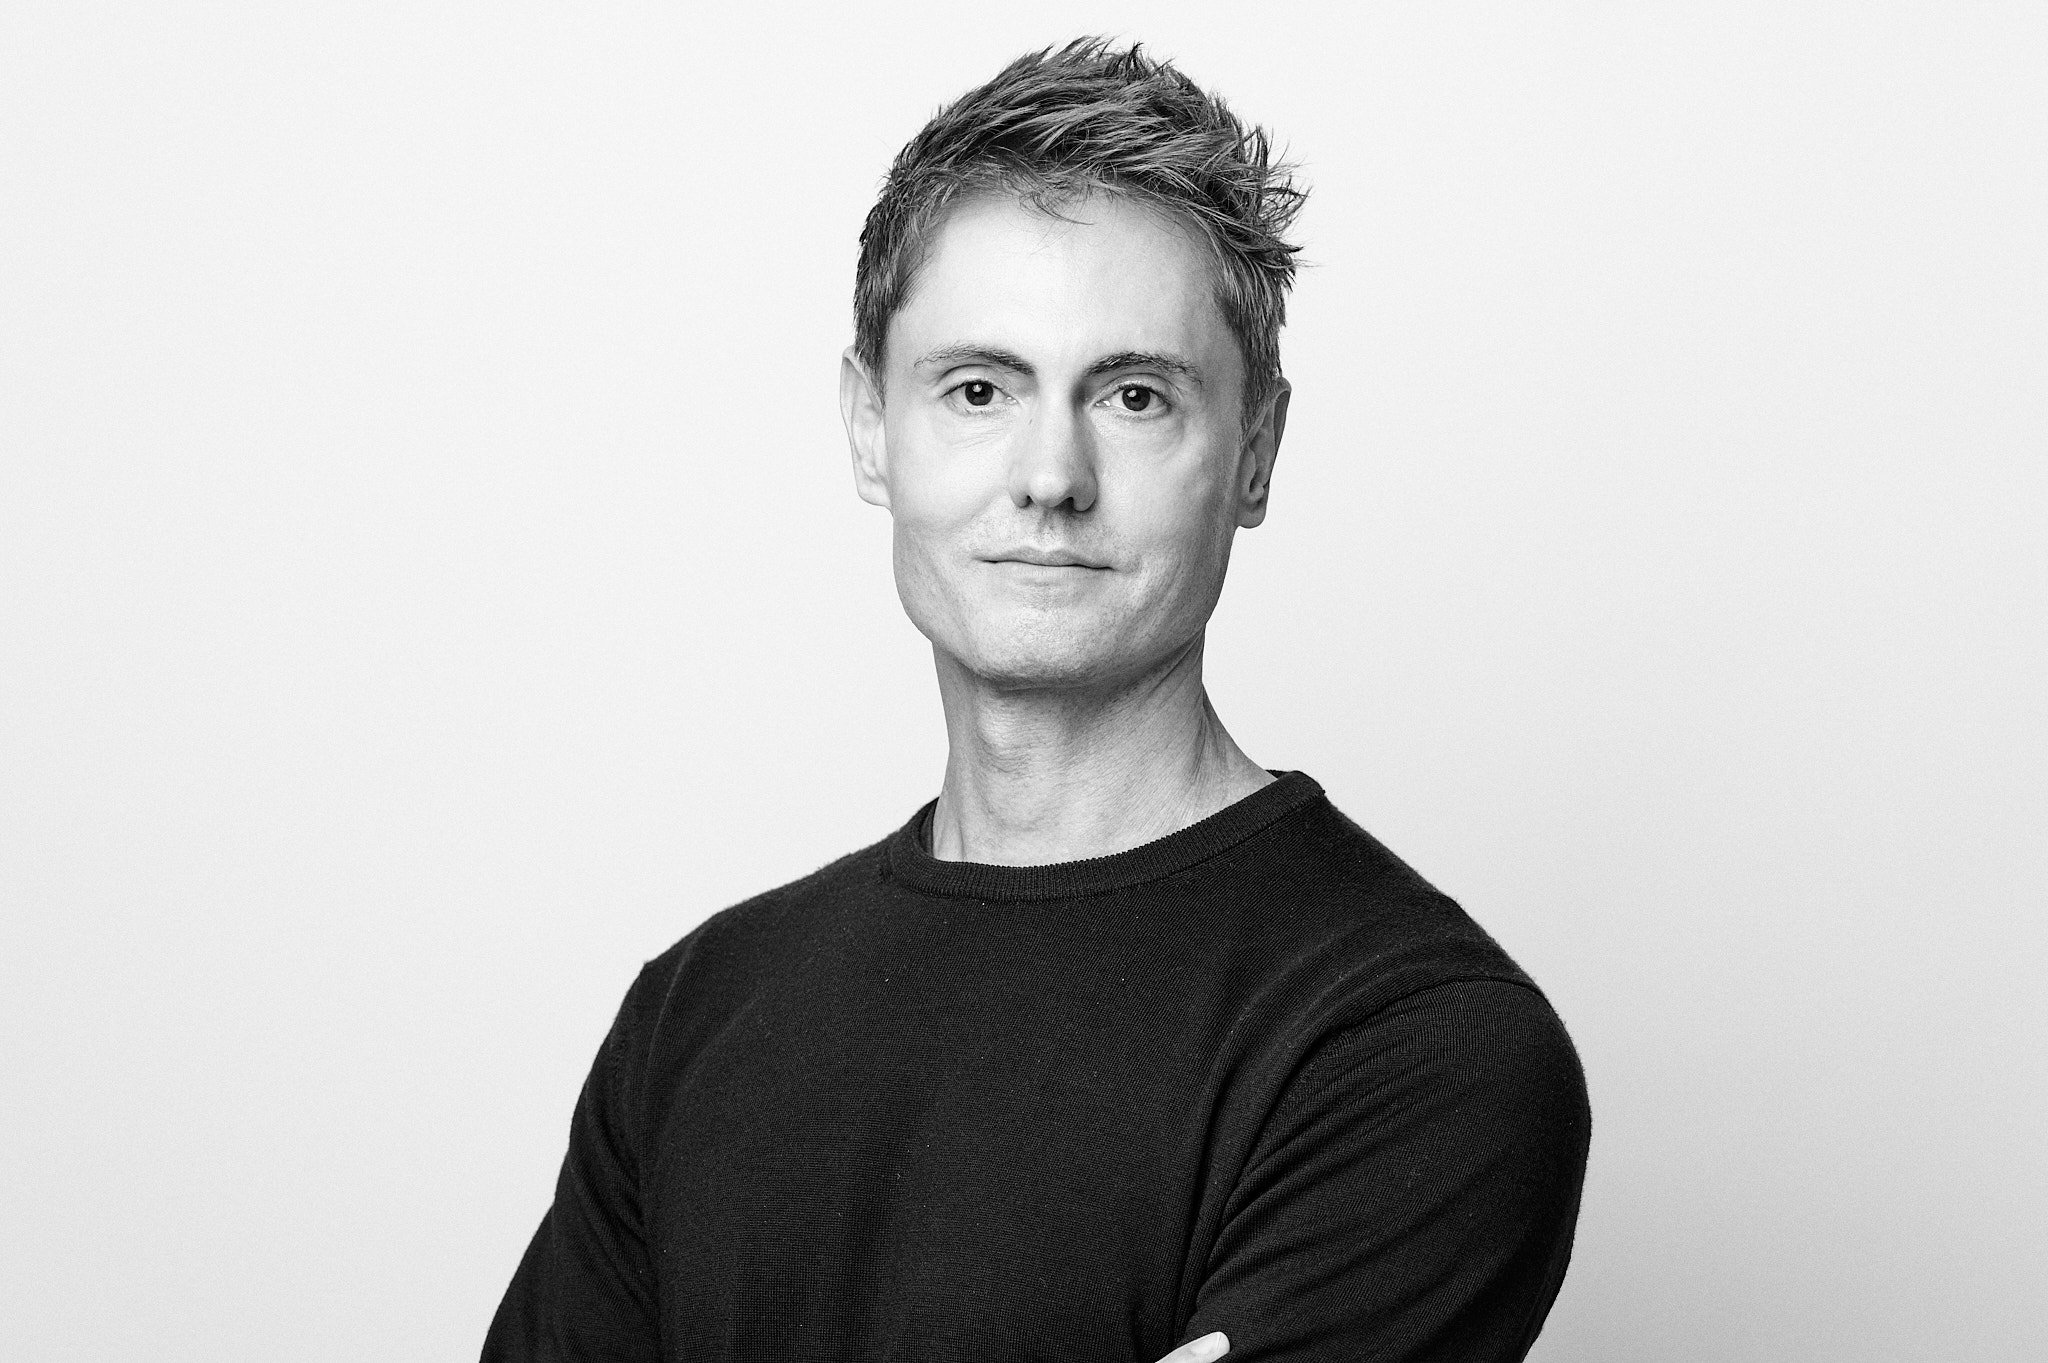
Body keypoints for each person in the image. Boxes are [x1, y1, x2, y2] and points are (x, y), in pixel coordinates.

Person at [485, 39, 1589, 1363]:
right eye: (978, 389)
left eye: (1134, 396)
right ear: (868, 427)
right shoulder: (700, 1011)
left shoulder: (1410, 1048)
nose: (1050, 475)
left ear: (1256, 453)